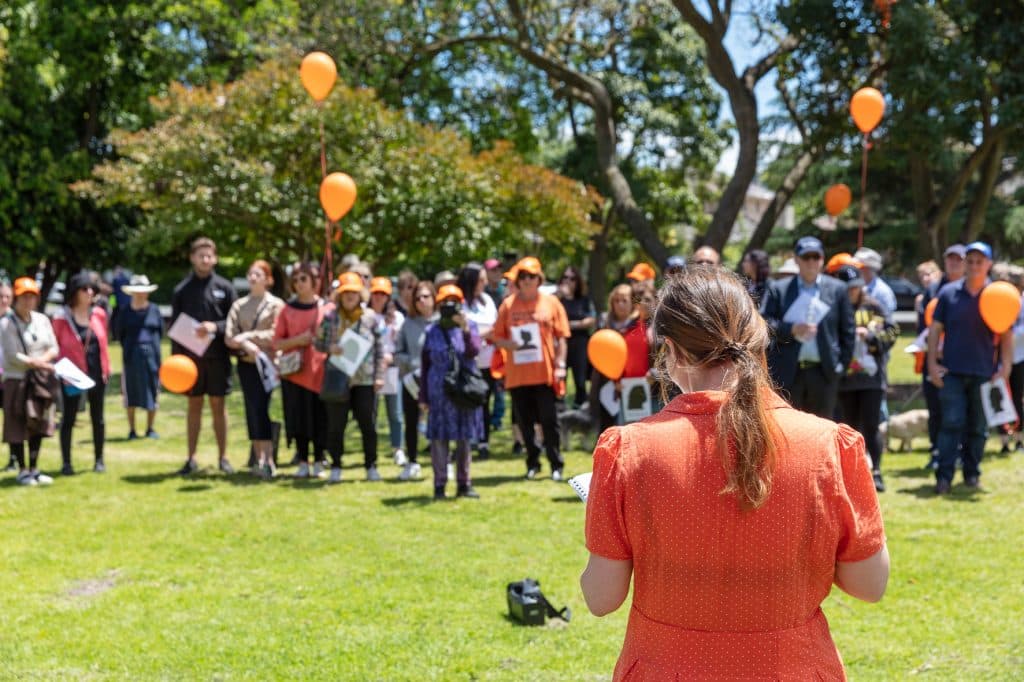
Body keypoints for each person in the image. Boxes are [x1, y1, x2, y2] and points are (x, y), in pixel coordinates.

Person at [581, 266, 889, 680]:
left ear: (670, 351)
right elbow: (869, 583)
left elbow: (601, 596)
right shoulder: (829, 446)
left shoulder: (628, 452)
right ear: (756, 341)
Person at [928, 242, 1013, 494]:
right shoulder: (948, 294)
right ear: (965, 263)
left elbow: (1006, 334)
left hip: (984, 373)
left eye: (980, 261)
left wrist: (1005, 366)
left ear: (989, 264)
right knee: (951, 424)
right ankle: (943, 477)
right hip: (952, 372)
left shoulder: (997, 295)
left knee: (978, 427)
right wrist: (932, 363)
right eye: (971, 261)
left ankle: (971, 474)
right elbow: (935, 331)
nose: (975, 266)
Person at [493, 257, 570, 480]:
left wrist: (561, 365)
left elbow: (562, 337)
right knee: (525, 423)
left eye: (531, 276)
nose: (527, 281)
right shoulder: (508, 305)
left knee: (549, 421)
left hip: (544, 374)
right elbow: (497, 338)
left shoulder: (552, 303)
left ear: (539, 279)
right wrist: (510, 344)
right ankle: (532, 462)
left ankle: (556, 464)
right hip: (517, 376)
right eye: (523, 277)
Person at [761, 236, 855, 419]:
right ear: (796, 259)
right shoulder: (779, 289)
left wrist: (840, 367)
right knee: (787, 429)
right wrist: (791, 329)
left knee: (821, 431)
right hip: (788, 372)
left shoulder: (838, 290)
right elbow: (763, 323)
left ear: (822, 259)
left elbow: (848, 332)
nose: (811, 262)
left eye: (816, 257)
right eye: (806, 257)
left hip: (824, 373)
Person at [170, 237, 238, 475]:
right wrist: (175, 362)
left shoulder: (226, 288)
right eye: (201, 255)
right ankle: (191, 458)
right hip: (190, 363)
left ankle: (223, 457)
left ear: (215, 258)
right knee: (194, 405)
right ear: (192, 258)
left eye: (209, 255)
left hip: (218, 358)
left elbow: (233, 322)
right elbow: (175, 329)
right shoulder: (182, 290)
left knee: (219, 405)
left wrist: (215, 327)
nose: (205, 259)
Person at [833, 265, 899, 492]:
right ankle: (852, 473)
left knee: (871, 425)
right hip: (844, 380)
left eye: (856, 287)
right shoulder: (834, 308)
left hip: (871, 379)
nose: (852, 292)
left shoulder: (873, 306)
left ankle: (877, 471)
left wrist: (870, 336)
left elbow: (891, 333)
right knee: (848, 427)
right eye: (847, 288)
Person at [317, 272, 385, 483]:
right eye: (346, 293)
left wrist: (378, 376)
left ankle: (371, 466)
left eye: (353, 293)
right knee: (336, 424)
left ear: (360, 295)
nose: (349, 297)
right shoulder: (330, 317)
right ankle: (336, 465)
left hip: (364, 380)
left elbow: (380, 349)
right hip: (338, 378)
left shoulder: (370, 318)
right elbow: (317, 343)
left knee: (368, 424)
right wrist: (330, 348)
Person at [420, 284, 483, 499]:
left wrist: (465, 328)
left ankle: (464, 484)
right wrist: (423, 396)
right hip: (438, 393)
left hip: (462, 392)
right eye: (445, 304)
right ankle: (439, 485)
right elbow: (425, 363)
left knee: (464, 438)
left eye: (454, 304)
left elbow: (474, 351)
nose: (449, 309)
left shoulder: (470, 327)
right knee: (439, 440)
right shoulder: (432, 331)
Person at [225, 260, 285, 479]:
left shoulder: (276, 305)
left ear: (268, 279)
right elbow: (229, 337)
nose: (253, 278)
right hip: (246, 365)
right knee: (252, 409)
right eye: (250, 274)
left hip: (268, 365)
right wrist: (244, 345)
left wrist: (250, 337)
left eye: (258, 274)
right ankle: (258, 457)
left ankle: (269, 459)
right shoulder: (239, 305)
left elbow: (276, 334)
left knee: (263, 408)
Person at [273, 262, 330, 478]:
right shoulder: (287, 310)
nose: (298, 284)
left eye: (303, 279)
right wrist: (299, 340)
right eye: (295, 280)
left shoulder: (327, 308)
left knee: (320, 417)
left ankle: (319, 460)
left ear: (315, 281)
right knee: (299, 418)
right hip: (295, 374)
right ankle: (303, 459)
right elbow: (277, 343)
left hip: (320, 373)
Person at [1, 277, 59, 486]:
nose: (28, 301)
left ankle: (34, 468)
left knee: (39, 423)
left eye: (32, 297)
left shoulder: (42, 320)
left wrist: (41, 362)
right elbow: (11, 354)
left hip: (40, 380)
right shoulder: (7, 323)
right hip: (17, 380)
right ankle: (22, 469)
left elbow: (53, 346)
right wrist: (36, 362)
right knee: (16, 424)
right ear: (16, 298)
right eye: (24, 297)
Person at [52, 272, 111, 475]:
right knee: (68, 417)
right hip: (72, 374)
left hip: (96, 372)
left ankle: (99, 459)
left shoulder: (99, 315)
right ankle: (67, 463)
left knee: (98, 417)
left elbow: (104, 344)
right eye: (84, 289)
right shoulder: (61, 318)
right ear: (74, 293)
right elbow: (55, 346)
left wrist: (106, 368)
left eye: (92, 289)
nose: (89, 293)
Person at [920, 244, 966, 467]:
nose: (954, 262)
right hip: (934, 359)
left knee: (958, 411)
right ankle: (936, 452)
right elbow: (924, 326)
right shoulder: (933, 289)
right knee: (935, 409)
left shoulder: (971, 289)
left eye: (959, 259)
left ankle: (959, 453)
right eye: (950, 258)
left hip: (960, 360)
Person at [395, 281, 436, 481]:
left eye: (426, 296)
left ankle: (442, 461)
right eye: (417, 298)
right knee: (411, 421)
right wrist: (411, 363)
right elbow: (397, 352)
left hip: (436, 380)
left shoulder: (440, 322)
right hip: (413, 380)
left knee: (438, 421)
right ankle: (412, 461)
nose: (421, 301)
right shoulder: (408, 323)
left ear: (434, 298)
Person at [113, 275, 163, 440]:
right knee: (130, 393)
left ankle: (150, 428)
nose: (141, 295)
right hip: (131, 356)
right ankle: (132, 430)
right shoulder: (125, 311)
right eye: (137, 292)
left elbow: (160, 333)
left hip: (152, 357)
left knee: (153, 391)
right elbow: (120, 334)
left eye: (143, 292)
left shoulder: (154, 310)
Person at [457, 264, 498, 459]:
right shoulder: (460, 303)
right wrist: (482, 334)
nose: (485, 283)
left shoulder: (487, 301)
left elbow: (496, 326)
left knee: (484, 402)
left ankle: (484, 441)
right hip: (467, 361)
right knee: (467, 402)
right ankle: (466, 440)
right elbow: (461, 332)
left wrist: (482, 334)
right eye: (481, 280)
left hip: (488, 360)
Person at [369, 276, 406, 467]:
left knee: (395, 412)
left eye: (383, 294)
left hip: (391, 370)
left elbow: (400, 344)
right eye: (375, 293)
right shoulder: (365, 316)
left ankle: (398, 448)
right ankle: (371, 450)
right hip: (370, 371)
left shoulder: (397, 318)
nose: (378, 297)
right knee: (371, 413)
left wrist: (390, 357)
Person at [590, 284, 637, 433]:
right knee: (607, 424)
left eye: (624, 300)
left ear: (632, 302)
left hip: (633, 382)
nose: (620, 304)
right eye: (616, 301)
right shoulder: (605, 322)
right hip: (605, 381)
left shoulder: (639, 325)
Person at [556, 266, 596, 409]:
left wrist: (568, 325)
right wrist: (560, 295)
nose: (568, 281)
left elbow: (591, 320)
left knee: (580, 380)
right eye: (565, 278)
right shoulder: (556, 300)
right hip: (561, 344)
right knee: (561, 378)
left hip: (580, 343)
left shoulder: (584, 300)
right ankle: (560, 410)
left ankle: (580, 409)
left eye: (572, 278)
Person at [853, 247, 897, 316]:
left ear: (867, 268)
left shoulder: (883, 291)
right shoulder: (859, 287)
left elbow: (888, 316)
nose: (855, 269)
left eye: (858, 267)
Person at [0, 281, 11, 470]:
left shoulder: (13, 321)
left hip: (9, 377)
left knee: (11, 419)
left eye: (8, 297)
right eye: (1, 296)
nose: (4, 300)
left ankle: (14, 458)